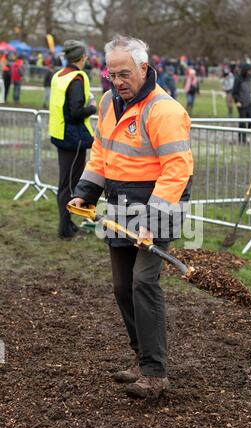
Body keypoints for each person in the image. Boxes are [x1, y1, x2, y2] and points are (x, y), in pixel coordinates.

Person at [70, 34, 193, 398]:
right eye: (111, 75)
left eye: (124, 74)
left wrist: (152, 224)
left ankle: (155, 373)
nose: (117, 82)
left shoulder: (164, 110)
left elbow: (176, 170)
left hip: (158, 206)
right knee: (122, 286)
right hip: (119, 205)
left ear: (143, 67)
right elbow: (100, 152)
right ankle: (141, 360)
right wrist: (85, 192)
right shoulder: (109, 102)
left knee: (143, 281)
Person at [49, 40, 97, 239]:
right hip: (72, 138)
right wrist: (93, 107)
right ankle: (65, 230)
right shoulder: (77, 79)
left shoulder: (59, 75)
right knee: (69, 185)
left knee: (66, 184)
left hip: (60, 135)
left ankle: (67, 224)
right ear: (81, 57)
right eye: (85, 56)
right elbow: (76, 112)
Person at [232, 63, 251, 143]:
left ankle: (246, 133)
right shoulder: (238, 79)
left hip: (248, 103)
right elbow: (234, 92)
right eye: (249, 71)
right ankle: (242, 139)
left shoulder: (249, 78)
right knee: (242, 122)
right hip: (241, 104)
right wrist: (237, 101)